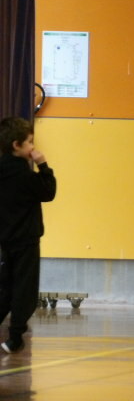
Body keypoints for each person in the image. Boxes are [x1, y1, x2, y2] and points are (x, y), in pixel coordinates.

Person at [0, 117, 57, 354]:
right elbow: (49, 192)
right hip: (27, 240)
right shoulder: (26, 176)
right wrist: (43, 165)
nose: (33, 147)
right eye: (30, 142)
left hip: (5, 240)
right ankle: (15, 337)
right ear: (17, 145)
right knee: (25, 289)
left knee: (5, 287)